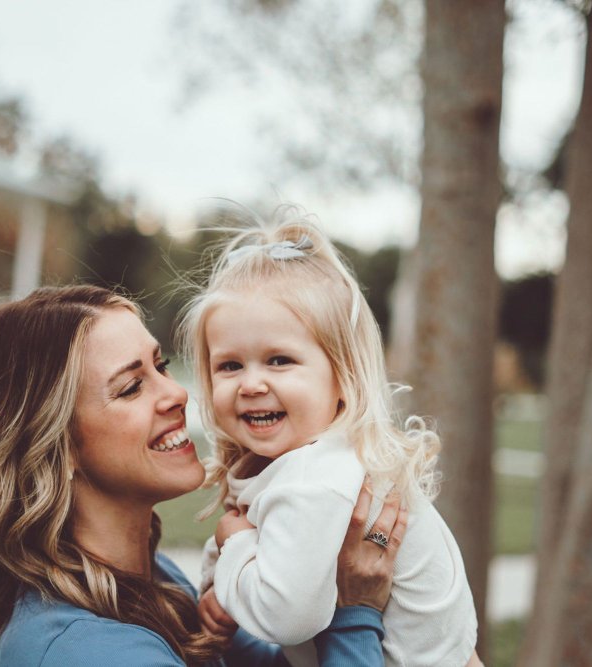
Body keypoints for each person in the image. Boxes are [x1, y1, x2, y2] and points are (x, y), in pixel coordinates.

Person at [0, 284, 408, 666]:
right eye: (131, 387)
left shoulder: (148, 578)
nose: (177, 394)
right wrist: (354, 614)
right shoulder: (83, 651)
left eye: (161, 365)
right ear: (53, 446)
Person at [177, 207, 482, 667]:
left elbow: (287, 618)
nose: (251, 383)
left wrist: (234, 550)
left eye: (279, 360)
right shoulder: (300, 462)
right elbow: (264, 535)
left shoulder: (318, 477)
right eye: (230, 365)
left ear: (343, 377)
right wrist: (221, 582)